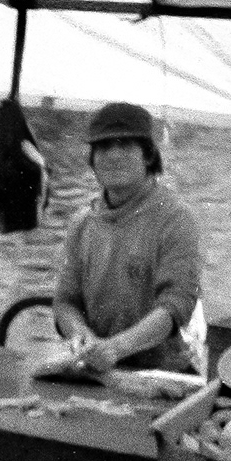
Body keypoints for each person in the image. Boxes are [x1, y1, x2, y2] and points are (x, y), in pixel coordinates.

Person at [52, 101, 203, 373]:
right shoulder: (82, 222)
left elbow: (177, 303)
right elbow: (65, 302)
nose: (114, 155)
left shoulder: (176, 218)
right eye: (104, 147)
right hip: (95, 367)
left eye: (125, 146)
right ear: (93, 160)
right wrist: (80, 335)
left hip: (162, 370)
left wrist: (117, 347)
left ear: (147, 155)